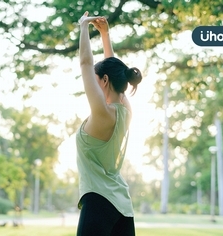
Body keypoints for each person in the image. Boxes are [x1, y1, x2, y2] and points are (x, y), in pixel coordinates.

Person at [76, 11, 142, 236]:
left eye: (97, 80)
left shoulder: (103, 113)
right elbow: (114, 74)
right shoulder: (125, 109)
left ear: (104, 81)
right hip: (123, 207)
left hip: (98, 203)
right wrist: (105, 35)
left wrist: (83, 27)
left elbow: (86, 63)